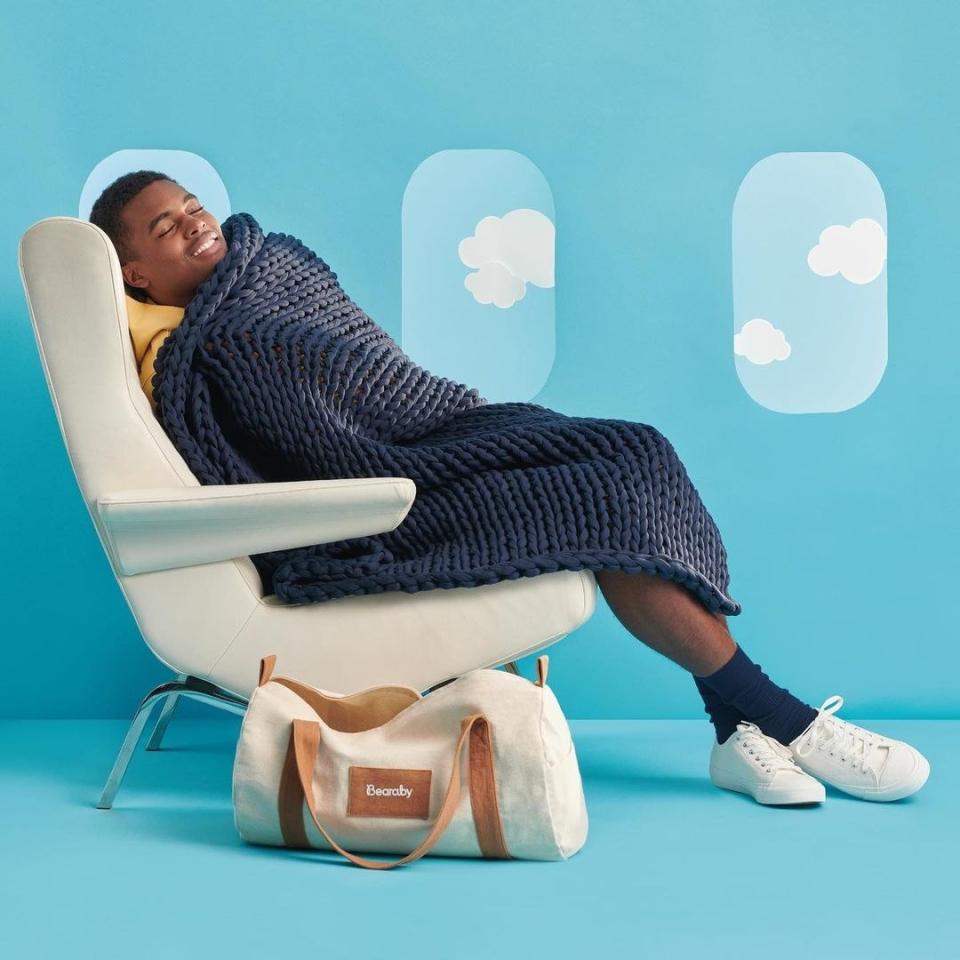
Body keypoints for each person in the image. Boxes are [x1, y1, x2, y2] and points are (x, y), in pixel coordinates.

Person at [89, 170, 931, 806]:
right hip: (395, 489)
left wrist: (438, 421)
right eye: (165, 228)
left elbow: (372, 369)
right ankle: (778, 719)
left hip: (436, 438)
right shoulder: (202, 350)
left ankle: (736, 721)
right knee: (600, 498)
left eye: (193, 205)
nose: (195, 223)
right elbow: (303, 442)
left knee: (631, 452)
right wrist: (394, 453)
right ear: (135, 276)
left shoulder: (273, 267)